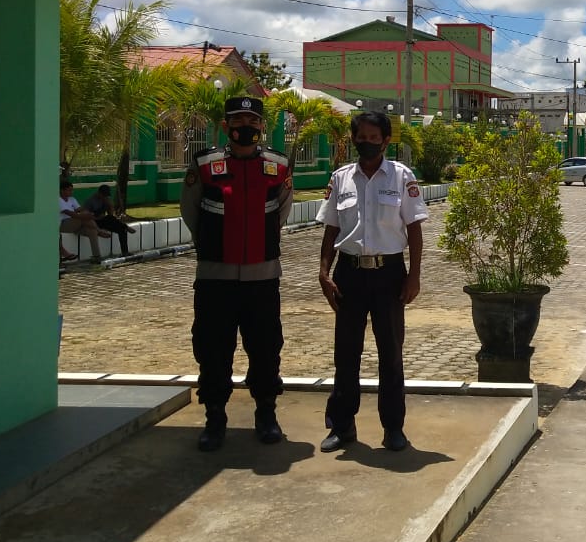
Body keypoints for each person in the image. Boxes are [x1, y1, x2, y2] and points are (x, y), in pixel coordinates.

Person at [179, 96, 293, 452]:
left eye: (253, 119)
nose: (246, 125)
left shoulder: (279, 166)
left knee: (265, 348)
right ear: (226, 126)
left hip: (262, 276)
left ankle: (266, 414)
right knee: (212, 349)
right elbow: (190, 212)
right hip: (215, 276)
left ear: (262, 125)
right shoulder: (205, 164)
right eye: (238, 119)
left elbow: (281, 213)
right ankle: (215, 418)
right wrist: (215, 247)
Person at [317, 110, 427, 453]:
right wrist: (323, 271)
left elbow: (414, 229)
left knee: (391, 353)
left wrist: (414, 275)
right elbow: (331, 228)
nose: (366, 143)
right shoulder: (340, 179)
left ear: (386, 140)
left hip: (389, 275)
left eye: (373, 137)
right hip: (348, 275)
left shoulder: (400, 177)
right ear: (354, 139)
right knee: (345, 354)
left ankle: (393, 427)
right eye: (360, 137)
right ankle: (342, 426)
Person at [59, 179, 107, 264]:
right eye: (69, 190)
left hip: (77, 224)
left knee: (92, 231)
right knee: (83, 217)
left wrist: (88, 211)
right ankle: (99, 230)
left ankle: (97, 257)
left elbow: (79, 210)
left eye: (72, 190)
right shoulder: (58, 200)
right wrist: (88, 216)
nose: (71, 192)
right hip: (64, 224)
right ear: (62, 190)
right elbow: (73, 214)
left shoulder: (72, 199)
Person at [83, 184, 137, 257]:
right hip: (94, 221)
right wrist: (96, 217)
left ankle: (125, 252)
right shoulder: (90, 201)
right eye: (104, 195)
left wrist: (110, 205)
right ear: (99, 193)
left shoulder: (105, 200)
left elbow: (110, 214)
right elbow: (84, 216)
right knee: (112, 220)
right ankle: (126, 226)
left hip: (105, 220)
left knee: (121, 229)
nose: (105, 197)